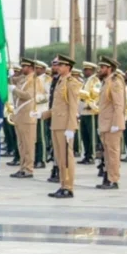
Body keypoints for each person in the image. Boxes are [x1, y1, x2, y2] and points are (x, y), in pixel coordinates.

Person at [39, 55, 80, 198]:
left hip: (65, 125)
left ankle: (68, 187)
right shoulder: (59, 81)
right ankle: (63, 185)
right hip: (56, 124)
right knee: (59, 157)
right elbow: (58, 106)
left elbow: (73, 107)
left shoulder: (71, 83)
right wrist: (43, 115)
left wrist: (71, 127)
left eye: (61, 65)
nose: (58, 67)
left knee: (66, 158)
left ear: (68, 67)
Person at [10, 58, 42, 179]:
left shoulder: (34, 80)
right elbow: (11, 80)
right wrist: (9, 73)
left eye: (25, 66)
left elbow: (28, 95)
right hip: (19, 115)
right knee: (21, 144)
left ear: (31, 68)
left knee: (28, 144)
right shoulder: (23, 79)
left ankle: (28, 169)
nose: (22, 68)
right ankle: (22, 167)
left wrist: (15, 90)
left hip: (28, 116)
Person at [96, 56, 125, 190]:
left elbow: (118, 105)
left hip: (112, 124)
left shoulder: (115, 82)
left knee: (113, 153)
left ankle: (113, 180)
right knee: (107, 154)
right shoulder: (106, 82)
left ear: (109, 68)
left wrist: (116, 123)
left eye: (102, 67)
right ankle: (108, 178)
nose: (100, 70)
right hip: (105, 124)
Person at [78, 62, 101, 164]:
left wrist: (90, 105)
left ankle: (92, 155)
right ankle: (86, 155)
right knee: (85, 135)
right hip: (83, 111)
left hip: (91, 111)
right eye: (85, 69)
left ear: (92, 70)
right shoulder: (86, 81)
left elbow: (97, 96)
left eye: (87, 70)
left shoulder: (95, 80)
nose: (85, 71)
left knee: (92, 135)